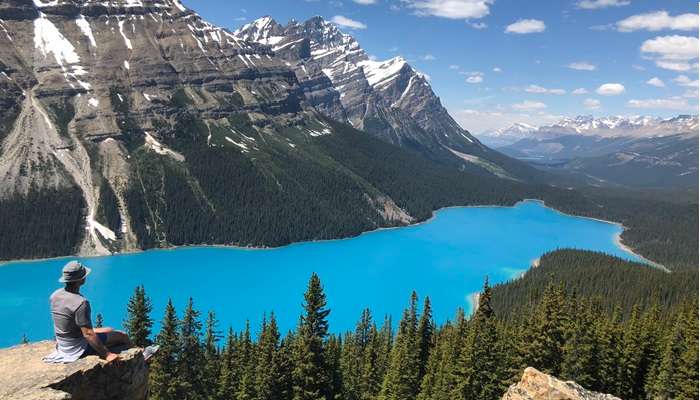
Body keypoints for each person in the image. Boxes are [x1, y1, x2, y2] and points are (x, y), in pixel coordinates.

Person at [43, 261, 130, 363]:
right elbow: (88, 334)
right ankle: (140, 356)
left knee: (109, 329)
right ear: (81, 279)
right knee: (122, 335)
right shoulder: (81, 302)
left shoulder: (55, 295)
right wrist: (107, 354)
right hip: (76, 347)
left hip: (62, 344)